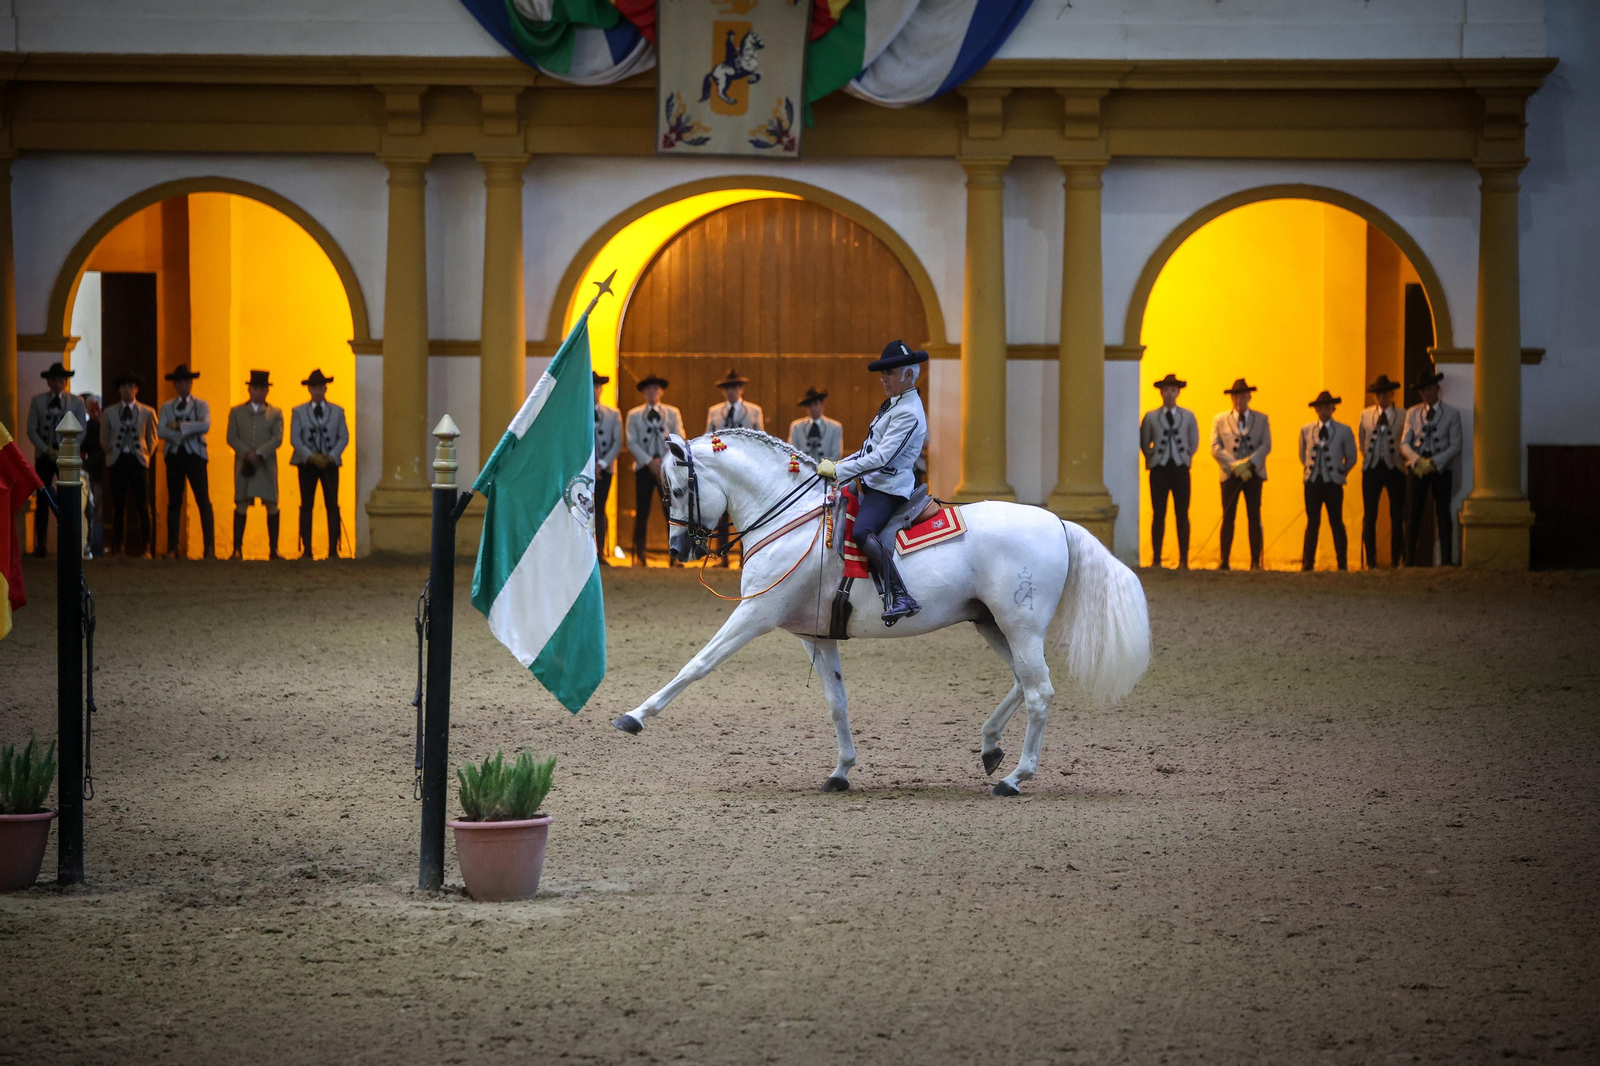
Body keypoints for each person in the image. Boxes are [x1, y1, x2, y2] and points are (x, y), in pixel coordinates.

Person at [817, 340, 927, 626]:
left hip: (889, 487)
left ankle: (900, 594)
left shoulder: (908, 411)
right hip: (872, 480)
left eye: (889, 373)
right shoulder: (895, 405)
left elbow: (881, 458)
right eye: (882, 374)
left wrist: (841, 472)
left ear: (908, 374)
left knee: (862, 531)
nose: (883, 379)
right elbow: (869, 448)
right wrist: (840, 465)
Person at [1400, 368, 1463, 566]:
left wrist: (1436, 461)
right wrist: (1416, 460)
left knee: (1443, 512)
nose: (1426, 394)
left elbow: (1455, 445)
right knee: (1413, 512)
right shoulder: (1412, 413)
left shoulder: (1451, 414)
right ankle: (1409, 559)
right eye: (1422, 391)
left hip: (1440, 467)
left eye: (1429, 389)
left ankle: (1446, 559)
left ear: (1437, 388)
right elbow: (1404, 443)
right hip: (1418, 466)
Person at [24, 362, 87, 556]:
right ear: (48, 382)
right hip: (44, 456)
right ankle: (41, 543)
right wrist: (45, 449)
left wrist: (66, 450)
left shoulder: (77, 402)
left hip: (66, 457)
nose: (57, 383)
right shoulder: (37, 401)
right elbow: (31, 429)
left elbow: (81, 430)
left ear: (65, 381)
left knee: (68, 498)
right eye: (53, 380)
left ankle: (69, 543)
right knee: (43, 498)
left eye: (61, 379)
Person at [704, 368, 764, 566]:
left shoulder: (754, 411)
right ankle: (722, 555)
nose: (731, 392)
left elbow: (760, 439)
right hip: (722, 468)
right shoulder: (714, 411)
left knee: (744, 512)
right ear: (724, 391)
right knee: (721, 513)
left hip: (744, 468)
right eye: (728, 388)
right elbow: (708, 438)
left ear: (741, 390)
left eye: (734, 388)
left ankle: (744, 555)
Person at [1139, 373, 1199, 569]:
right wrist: (1152, 456)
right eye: (1166, 390)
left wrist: (1186, 456)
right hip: (1159, 469)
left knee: (1182, 513)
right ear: (1161, 392)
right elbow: (1144, 440)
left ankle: (1184, 559)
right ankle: (1157, 558)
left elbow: (1194, 440)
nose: (1170, 394)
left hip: (1180, 467)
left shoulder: (1188, 416)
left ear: (1178, 392)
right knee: (1158, 513)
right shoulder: (1151, 416)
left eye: (1173, 390)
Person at [1210, 378, 1272, 571]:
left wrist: (1250, 464)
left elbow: (1266, 444)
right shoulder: (1220, 419)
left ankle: (1255, 560)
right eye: (1236, 395)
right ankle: (1224, 559)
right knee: (1228, 516)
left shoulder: (1261, 419)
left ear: (1249, 397)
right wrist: (1236, 465)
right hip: (1230, 474)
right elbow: (1215, 447)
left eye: (1243, 395)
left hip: (1253, 474)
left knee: (1254, 516)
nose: (1239, 399)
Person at [156, 363, 215, 560]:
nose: (182, 386)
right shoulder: (166, 407)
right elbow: (161, 430)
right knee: (174, 502)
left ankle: (209, 549)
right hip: (174, 455)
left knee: (203, 500)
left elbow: (205, 425)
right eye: (179, 382)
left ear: (191, 383)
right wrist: (188, 430)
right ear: (175, 385)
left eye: (186, 382)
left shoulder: (201, 404)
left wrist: (180, 426)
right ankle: (173, 547)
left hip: (196, 456)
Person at [289, 368, 349, 560]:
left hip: (330, 463)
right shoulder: (298, 412)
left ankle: (333, 549)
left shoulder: (338, 411)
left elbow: (344, 437)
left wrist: (331, 456)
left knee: (332, 504)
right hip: (307, 463)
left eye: (320, 387)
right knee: (307, 505)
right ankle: (307, 549)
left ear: (325, 388)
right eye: (314, 387)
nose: (317, 390)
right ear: (309, 389)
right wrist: (311, 456)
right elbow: (295, 439)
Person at [625, 374, 683, 567]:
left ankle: (675, 555)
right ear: (644, 392)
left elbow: (679, 437)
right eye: (649, 389)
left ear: (661, 391)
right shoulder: (634, 415)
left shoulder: (672, 413)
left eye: (656, 389)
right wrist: (649, 461)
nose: (652, 392)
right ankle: (638, 554)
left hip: (667, 468)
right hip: (644, 468)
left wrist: (665, 461)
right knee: (642, 511)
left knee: (671, 512)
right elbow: (631, 441)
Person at [227, 369, 285, 560]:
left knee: (271, 503)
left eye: (262, 389)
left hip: (266, 464)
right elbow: (231, 437)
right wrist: (246, 453)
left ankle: (274, 549)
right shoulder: (236, 412)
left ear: (267, 391)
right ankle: (237, 548)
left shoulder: (275, 413)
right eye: (255, 388)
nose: (259, 392)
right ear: (249, 389)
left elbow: (277, 438)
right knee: (241, 503)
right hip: (245, 463)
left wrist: (259, 453)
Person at [1298, 390, 1358, 571]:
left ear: (1333, 408)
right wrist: (1311, 470)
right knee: (1312, 522)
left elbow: (1352, 456)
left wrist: (1342, 472)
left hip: (1333, 482)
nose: (1324, 410)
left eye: (1327, 406)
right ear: (1316, 409)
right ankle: (1308, 563)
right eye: (1321, 407)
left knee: (1336, 521)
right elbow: (1303, 455)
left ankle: (1342, 562)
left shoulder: (1344, 430)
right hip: (1313, 482)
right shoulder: (1307, 430)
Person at [101, 373, 158, 557]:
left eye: (131, 386)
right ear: (119, 389)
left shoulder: (147, 412)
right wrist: (109, 448)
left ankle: (146, 547)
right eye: (124, 386)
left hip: (138, 460)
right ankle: (118, 546)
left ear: (136, 389)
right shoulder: (109, 412)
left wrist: (145, 453)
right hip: (117, 460)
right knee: (118, 504)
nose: (127, 389)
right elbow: (104, 436)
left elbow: (153, 438)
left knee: (142, 504)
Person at [1357, 373, 1407, 568]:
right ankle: (1371, 561)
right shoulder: (1366, 414)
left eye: (1385, 394)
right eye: (1378, 394)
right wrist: (1368, 455)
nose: (1382, 398)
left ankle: (1396, 559)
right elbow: (1362, 439)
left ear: (1392, 395)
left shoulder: (1403, 414)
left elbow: (1405, 438)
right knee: (1370, 515)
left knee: (1397, 515)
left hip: (1395, 467)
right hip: (1372, 468)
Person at [593, 371, 622, 563]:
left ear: (601, 389)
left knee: (600, 508)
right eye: (591, 386)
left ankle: (601, 552)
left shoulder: (613, 414)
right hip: (584, 471)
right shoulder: (576, 414)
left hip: (604, 470)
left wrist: (601, 464)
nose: (594, 390)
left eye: (597, 386)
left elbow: (617, 442)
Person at [80, 392, 105, 558]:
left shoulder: (108, 424)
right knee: (95, 510)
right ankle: (96, 547)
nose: (96, 414)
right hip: (95, 472)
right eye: (92, 411)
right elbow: (82, 452)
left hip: (108, 470)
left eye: (98, 410)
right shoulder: (88, 429)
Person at [789, 387, 843, 463]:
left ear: (822, 405)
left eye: (816, 404)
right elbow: (792, 451)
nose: (813, 408)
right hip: (803, 472)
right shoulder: (796, 427)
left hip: (826, 472)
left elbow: (836, 455)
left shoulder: (835, 427)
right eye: (809, 405)